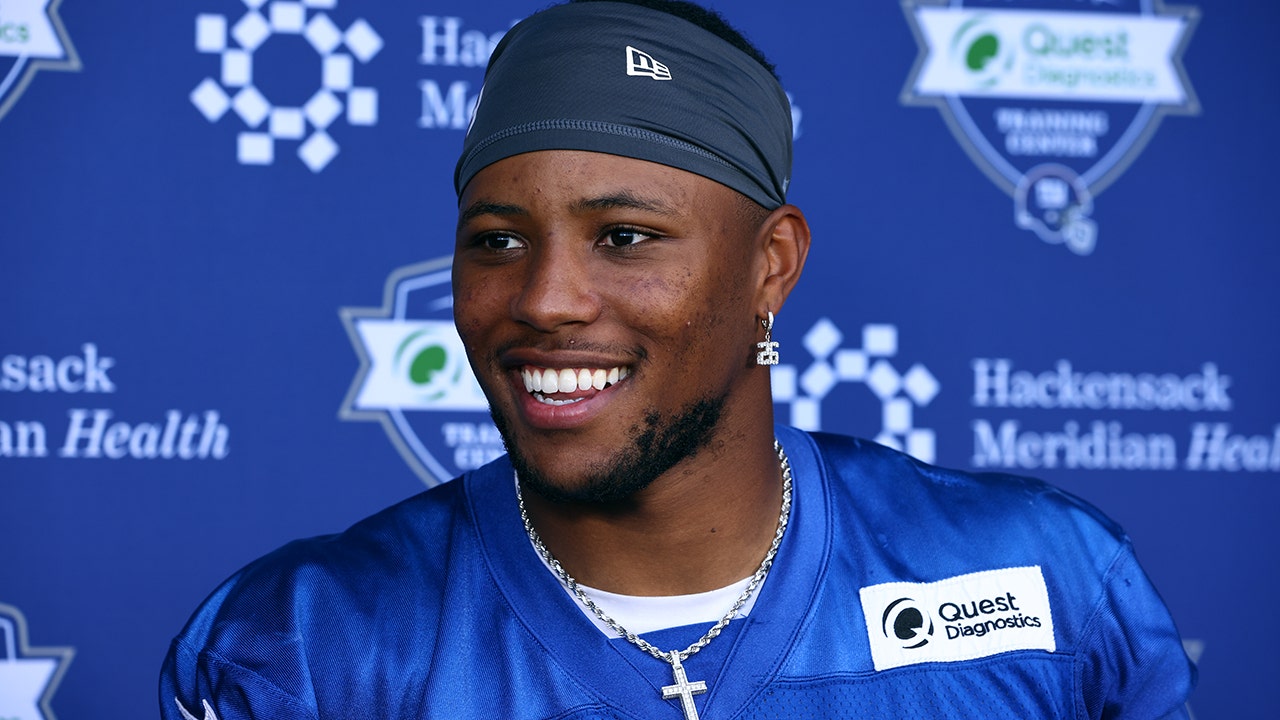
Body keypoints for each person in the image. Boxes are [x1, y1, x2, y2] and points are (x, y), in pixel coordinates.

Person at [160, 1, 1196, 718]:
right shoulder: (304, 646)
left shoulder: (1045, 581)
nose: (544, 299)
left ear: (769, 266)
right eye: (497, 240)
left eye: (625, 237)